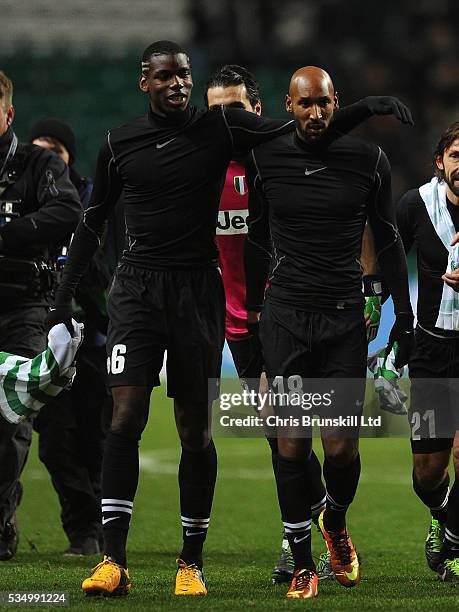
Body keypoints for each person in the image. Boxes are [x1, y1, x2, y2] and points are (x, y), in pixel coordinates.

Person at [47, 40, 413, 597]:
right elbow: (97, 219)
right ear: (144, 81)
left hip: (221, 299)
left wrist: (372, 105)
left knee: (278, 437)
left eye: (185, 78)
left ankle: (280, 538)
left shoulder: (232, 136)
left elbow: (319, 129)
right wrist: (63, 303)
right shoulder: (140, 145)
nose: (179, 86)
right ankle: (121, 558)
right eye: (166, 78)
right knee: (144, 417)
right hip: (188, 299)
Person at [205, 64, 383, 584]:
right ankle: (300, 534)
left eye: (236, 110)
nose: (227, 120)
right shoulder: (200, 165)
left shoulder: (273, 155)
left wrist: (371, 284)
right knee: (279, 434)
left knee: (314, 437)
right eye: (217, 112)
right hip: (235, 322)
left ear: (260, 111)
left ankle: (314, 526)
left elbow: (357, 207)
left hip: (290, 311)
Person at [245, 66, 414, 598]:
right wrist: (252, 313)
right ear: (287, 106)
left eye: (324, 104)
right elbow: (253, 240)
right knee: (292, 445)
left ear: (335, 103)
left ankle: (334, 521)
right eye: (305, 104)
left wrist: (401, 319)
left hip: (343, 319)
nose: (315, 114)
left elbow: (387, 240)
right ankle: (301, 564)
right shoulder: (265, 156)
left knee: (340, 450)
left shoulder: (369, 161)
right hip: (287, 316)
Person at [0, 71, 82, 561]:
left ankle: (0, 522)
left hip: (21, 309)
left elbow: (68, 210)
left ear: (8, 113)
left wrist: (6, 236)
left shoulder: (38, 164)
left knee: (8, 419)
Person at [30, 118, 112, 556]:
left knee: (97, 440)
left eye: (55, 152)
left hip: (96, 341)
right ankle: (83, 531)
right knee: (56, 443)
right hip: (46, 346)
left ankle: (103, 526)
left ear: (69, 158)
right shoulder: (24, 197)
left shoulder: (95, 200)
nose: (47, 159)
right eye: (39, 149)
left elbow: (109, 267)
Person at [396, 121, 459, 582]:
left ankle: (454, 543)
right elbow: (383, 250)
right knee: (427, 473)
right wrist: (388, 310)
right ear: (441, 161)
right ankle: (444, 517)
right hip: (432, 352)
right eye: (457, 155)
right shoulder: (416, 205)